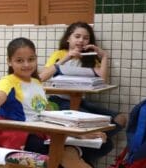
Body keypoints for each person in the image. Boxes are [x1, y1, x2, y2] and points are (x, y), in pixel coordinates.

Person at [0, 37, 101, 168]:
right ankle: (65, 155)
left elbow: (46, 114)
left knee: (86, 160)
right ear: (9, 62)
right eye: (19, 60)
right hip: (18, 139)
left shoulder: (37, 82)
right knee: (68, 155)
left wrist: (76, 130)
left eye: (31, 59)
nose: (26, 64)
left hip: (41, 133)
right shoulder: (8, 81)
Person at [39, 22, 126, 157]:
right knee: (105, 143)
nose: (81, 40)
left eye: (85, 38)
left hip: (80, 100)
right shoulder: (59, 54)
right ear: (68, 38)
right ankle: (87, 138)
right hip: (59, 101)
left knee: (120, 118)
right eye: (77, 36)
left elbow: (102, 80)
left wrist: (104, 57)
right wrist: (67, 57)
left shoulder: (90, 57)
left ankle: (91, 137)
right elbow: (42, 77)